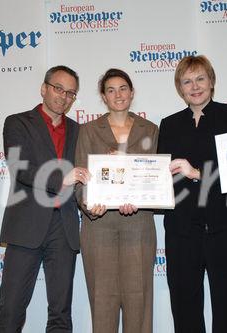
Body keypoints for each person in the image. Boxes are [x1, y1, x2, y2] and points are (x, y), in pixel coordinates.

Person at [157, 55, 227, 333]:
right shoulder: (169, 124)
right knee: (184, 308)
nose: (195, 86)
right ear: (180, 87)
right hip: (181, 230)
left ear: (211, 82)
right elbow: (162, 178)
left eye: (200, 78)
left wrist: (197, 173)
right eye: (187, 81)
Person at [0, 65, 88, 333]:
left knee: (60, 311)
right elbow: (20, 168)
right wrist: (62, 179)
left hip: (64, 226)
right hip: (26, 225)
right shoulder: (17, 122)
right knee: (12, 306)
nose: (64, 96)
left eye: (71, 93)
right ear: (44, 88)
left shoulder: (78, 130)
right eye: (58, 88)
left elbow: (86, 173)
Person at [75, 68, 158, 333]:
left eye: (123, 88)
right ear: (103, 96)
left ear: (132, 93)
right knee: (102, 302)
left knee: (139, 301)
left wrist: (143, 197)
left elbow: (156, 180)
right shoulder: (88, 131)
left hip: (138, 222)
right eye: (111, 90)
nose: (118, 94)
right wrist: (89, 205)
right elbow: (80, 177)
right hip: (98, 225)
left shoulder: (151, 130)